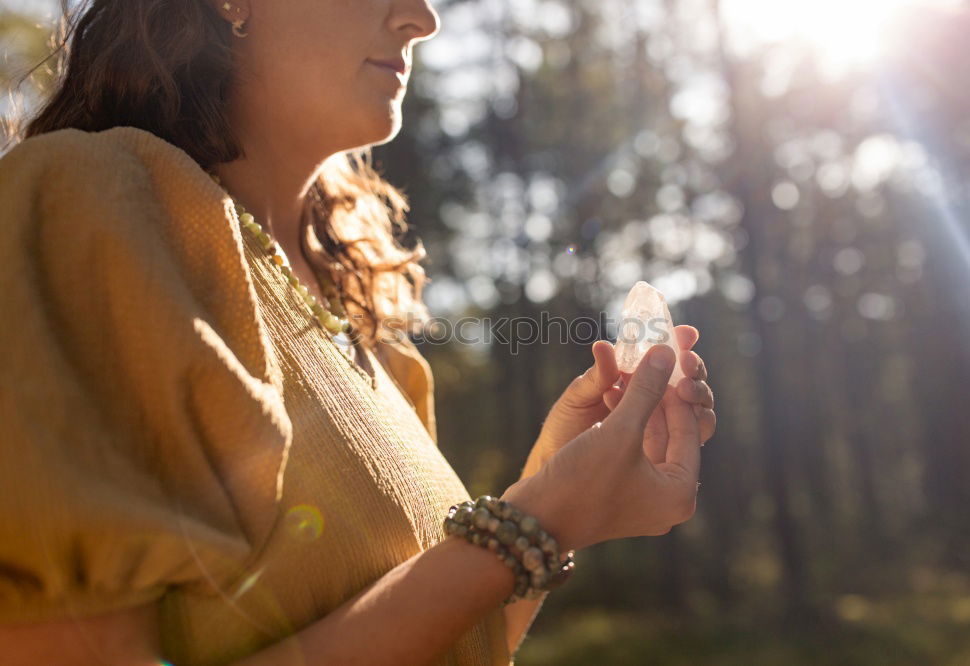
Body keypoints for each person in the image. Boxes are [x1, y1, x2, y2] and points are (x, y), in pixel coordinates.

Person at [0, 0, 717, 663]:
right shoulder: (90, 205)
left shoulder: (383, 346)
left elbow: (450, 643)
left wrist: (555, 491)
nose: (422, 18)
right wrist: (532, 525)